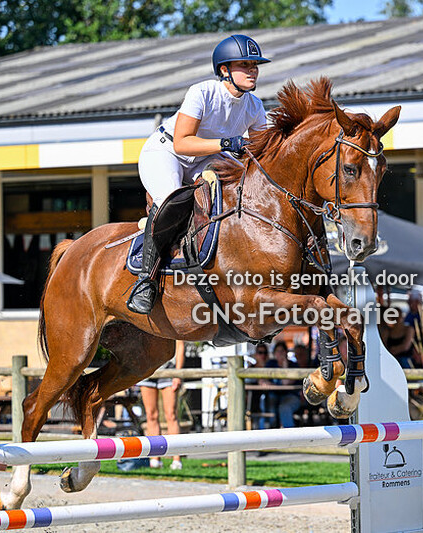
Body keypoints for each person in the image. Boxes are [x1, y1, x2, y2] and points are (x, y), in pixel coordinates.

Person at [127, 34, 271, 314]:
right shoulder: (202, 92)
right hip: (166, 153)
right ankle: (145, 282)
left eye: (255, 65)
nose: (253, 70)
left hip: (205, 159)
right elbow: (182, 142)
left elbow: (260, 153)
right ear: (224, 70)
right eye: (245, 64)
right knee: (173, 200)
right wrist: (227, 144)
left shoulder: (255, 105)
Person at [138, 340, 186, 470]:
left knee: (171, 414)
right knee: (151, 415)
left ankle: (176, 459)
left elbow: (180, 345)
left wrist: (178, 373)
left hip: (169, 370)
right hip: (147, 369)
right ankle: (155, 458)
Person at [266, 341, 302, 429]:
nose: (280, 353)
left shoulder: (293, 365)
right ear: (274, 353)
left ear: (286, 352)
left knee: (284, 407)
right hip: (274, 395)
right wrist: (266, 383)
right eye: (278, 351)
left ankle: (289, 435)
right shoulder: (271, 364)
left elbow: (286, 382)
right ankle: (268, 432)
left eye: (282, 351)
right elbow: (262, 380)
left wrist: (285, 366)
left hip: (292, 396)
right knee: (267, 406)